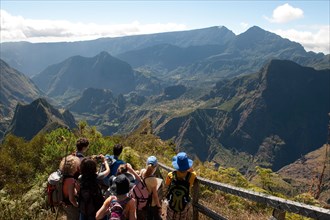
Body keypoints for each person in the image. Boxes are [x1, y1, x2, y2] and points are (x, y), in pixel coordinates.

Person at [165, 152, 196, 220]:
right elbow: (193, 172)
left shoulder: (170, 175)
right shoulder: (191, 176)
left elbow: (167, 185)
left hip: (172, 202)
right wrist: (189, 167)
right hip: (183, 204)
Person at [78, 156, 110, 220]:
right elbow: (108, 171)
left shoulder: (80, 178)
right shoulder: (98, 177)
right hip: (96, 206)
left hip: (84, 206)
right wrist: (105, 161)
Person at [59, 155, 81, 220]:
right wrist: (78, 205)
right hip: (70, 205)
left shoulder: (62, 176)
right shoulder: (70, 180)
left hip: (64, 203)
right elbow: (71, 199)